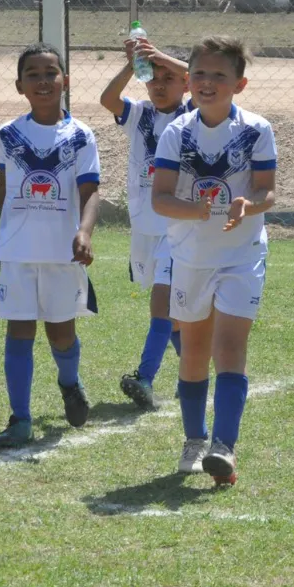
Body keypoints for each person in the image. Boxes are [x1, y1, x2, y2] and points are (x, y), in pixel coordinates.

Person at [151, 36, 277, 483]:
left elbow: (266, 188)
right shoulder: (175, 132)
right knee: (193, 353)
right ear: (188, 80)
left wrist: (249, 205)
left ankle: (224, 447)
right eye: (200, 74)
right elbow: (161, 199)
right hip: (191, 257)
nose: (208, 82)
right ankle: (193, 439)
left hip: (241, 255)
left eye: (219, 75)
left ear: (238, 85)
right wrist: (194, 211)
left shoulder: (256, 130)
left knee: (229, 349)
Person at [0, 44, 101, 447]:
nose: (43, 80)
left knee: (59, 334)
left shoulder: (80, 135)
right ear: (20, 85)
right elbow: (5, 192)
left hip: (62, 252)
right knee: (18, 331)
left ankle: (69, 383)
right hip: (18, 253)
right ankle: (20, 418)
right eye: (33, 74)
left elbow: (90, 192)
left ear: (65, 81)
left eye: (51, 73)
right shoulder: (8, 134)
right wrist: (7, 238)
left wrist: (84, 232)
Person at [98, 37, 191, 410]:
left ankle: (145, 378)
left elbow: (200, 76)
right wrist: (132, 63)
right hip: (143, 226)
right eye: (153, 77)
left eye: (169, 77)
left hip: (178, 226)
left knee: (162, 306)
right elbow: (108, 99)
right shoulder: (139, 114)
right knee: (175, 318)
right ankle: (194, 375)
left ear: (185, 84)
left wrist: (163, 57)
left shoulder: (194, 116)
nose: (160, 84)